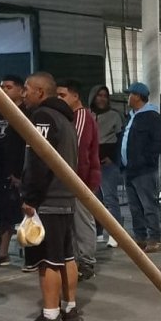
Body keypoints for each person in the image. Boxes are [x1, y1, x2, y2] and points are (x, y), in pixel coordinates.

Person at [18, 73, 81, 321]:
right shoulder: (66, 119)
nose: (23, 94)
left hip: (49, 198)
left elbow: (39, 160)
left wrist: (30, 197)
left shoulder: (42, 117)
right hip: (65, 196)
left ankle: (51, 316)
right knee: (66, 255)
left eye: (26, 89)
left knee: (48, 259)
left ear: (40, 93)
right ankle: (70, 307)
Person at [57, 79, 101, 281]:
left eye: (63, 95)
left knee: (83, 222)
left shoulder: (81, 117)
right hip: (73, 180)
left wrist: (77, 181)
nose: (59, 99)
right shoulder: (70, 117)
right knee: (74, 223)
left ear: (75, 96)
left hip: (80, 180)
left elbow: (79, 150)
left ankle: (86, 262)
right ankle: (76, 260)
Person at [121, 82, 161, 253]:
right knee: (134, 207)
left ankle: (154, 238)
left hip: (144, 170)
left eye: (130, 94)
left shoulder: (151, 117)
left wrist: (144, 160)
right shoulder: (132, 115)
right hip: (129, 169)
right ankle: (140, 238)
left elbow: (158, 142)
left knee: (148, 205)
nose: (128, 98)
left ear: (138, 96)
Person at [0, 74, 27, 267]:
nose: (4, 90)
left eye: (9, 87)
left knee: (28, 213)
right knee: (5, 214)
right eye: (2, 87)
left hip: (19, 172)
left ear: (21, 91)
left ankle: (33, 252)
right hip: (1, 172)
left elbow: (26, 146)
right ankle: (2, 253)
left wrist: (20, 173)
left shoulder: (26, 113)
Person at [90, 85, 124, 248]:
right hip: (91, 163)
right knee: (96, 201)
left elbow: (120, 139)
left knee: (111, 199)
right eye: (99, 95)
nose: (102, 98)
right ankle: (97, 232)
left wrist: (113, 158)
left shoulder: (114, 116)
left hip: (108, 163)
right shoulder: (87, 115)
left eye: (105, 96)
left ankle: (115, 234)